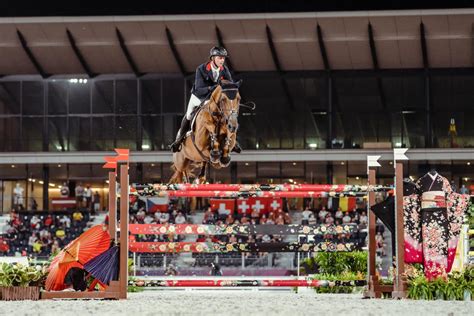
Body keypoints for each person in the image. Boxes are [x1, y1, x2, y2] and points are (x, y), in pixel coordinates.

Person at [170, 46, 242, 153]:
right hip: (199, 97)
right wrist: (215, 88)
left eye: (223, 58)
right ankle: (179, 140)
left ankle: (232, 140)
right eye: (219, 57)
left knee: (226, 113)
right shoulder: (201, 69)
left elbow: (228, 86)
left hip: (214, 99)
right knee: (189, 114)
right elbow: (199, 89)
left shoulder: (224, 70)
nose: (222, 60)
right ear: (213, 58)